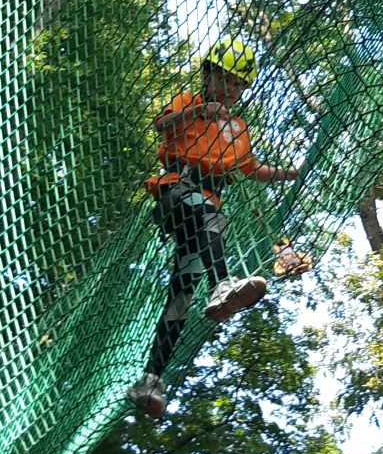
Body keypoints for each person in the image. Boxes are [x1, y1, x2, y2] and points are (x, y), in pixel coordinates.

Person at [125, 38, 298, 420]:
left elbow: (252, 169)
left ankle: (150, 379)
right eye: (225, 78)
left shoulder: (238, 129)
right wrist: (200, 111)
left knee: (183, 291)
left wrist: (290, 173)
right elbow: (161, 125)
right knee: (211, 217)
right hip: (176, 192)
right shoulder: (187, 103)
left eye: (238, 84)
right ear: (208, 76)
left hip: (205, 212)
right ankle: (222, 285)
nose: (231, 88)